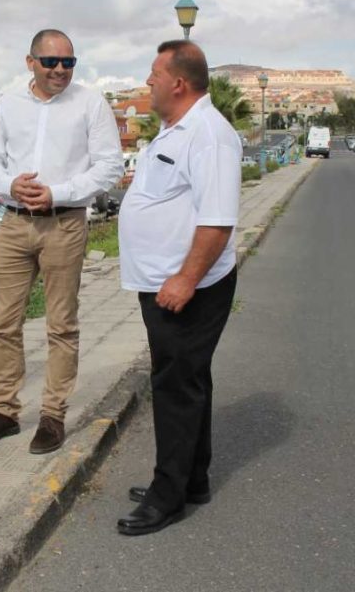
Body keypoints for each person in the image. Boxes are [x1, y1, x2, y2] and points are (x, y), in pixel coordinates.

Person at [0, 29, 122, 454]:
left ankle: (52, 415)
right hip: (14, 223)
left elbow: (110, 166)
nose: (59, 70)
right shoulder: (9, 104)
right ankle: (5, 411)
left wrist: (59, 192)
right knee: (3, 322)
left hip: (64, 224)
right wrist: (8, 185)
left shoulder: (91, 104)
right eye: (51, 62)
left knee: (61, 325)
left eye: (68, 63)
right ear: (30, 62)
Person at [116, 40, 240, 536]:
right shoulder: (176, 130)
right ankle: (192, 480)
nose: (147, 82)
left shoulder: (208, 134)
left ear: (178, 83)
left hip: (187, 286)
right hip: (166, 281)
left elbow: (216, 221)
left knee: (174, 387)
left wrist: (186, 279)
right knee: (188, 381)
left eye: (153, 74)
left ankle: (167, 496)